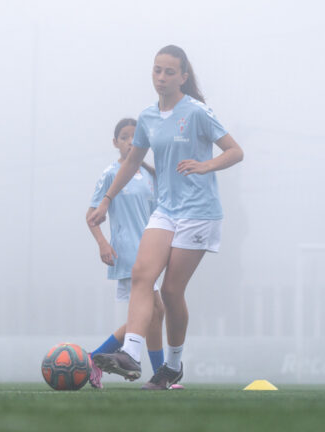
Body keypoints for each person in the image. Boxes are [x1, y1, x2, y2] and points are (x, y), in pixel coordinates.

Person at [88, 45, 244, 390]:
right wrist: (106, 201)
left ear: (183, 77)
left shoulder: (198, 112)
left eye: (169, 72)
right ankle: (130, 354)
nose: (161, 77)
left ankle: (172, 367)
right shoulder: (146, 117)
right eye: (157, 70)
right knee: (143, 275)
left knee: (172, 292)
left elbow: (235, 151)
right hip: (166, 210)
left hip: (199, 213)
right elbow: (131, 162)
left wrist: (206, 165)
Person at [86, 118, 166, 389]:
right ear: (115, 143)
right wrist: (103, 244)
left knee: (153, 314)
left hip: (151, 253)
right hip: (129, 254)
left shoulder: (151, 176)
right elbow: (91, 215)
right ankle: (97, 360)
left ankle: (157, 376)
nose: (131, 141)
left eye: (136, 136)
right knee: (151, 313)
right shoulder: (111, 173)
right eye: (124, 137)